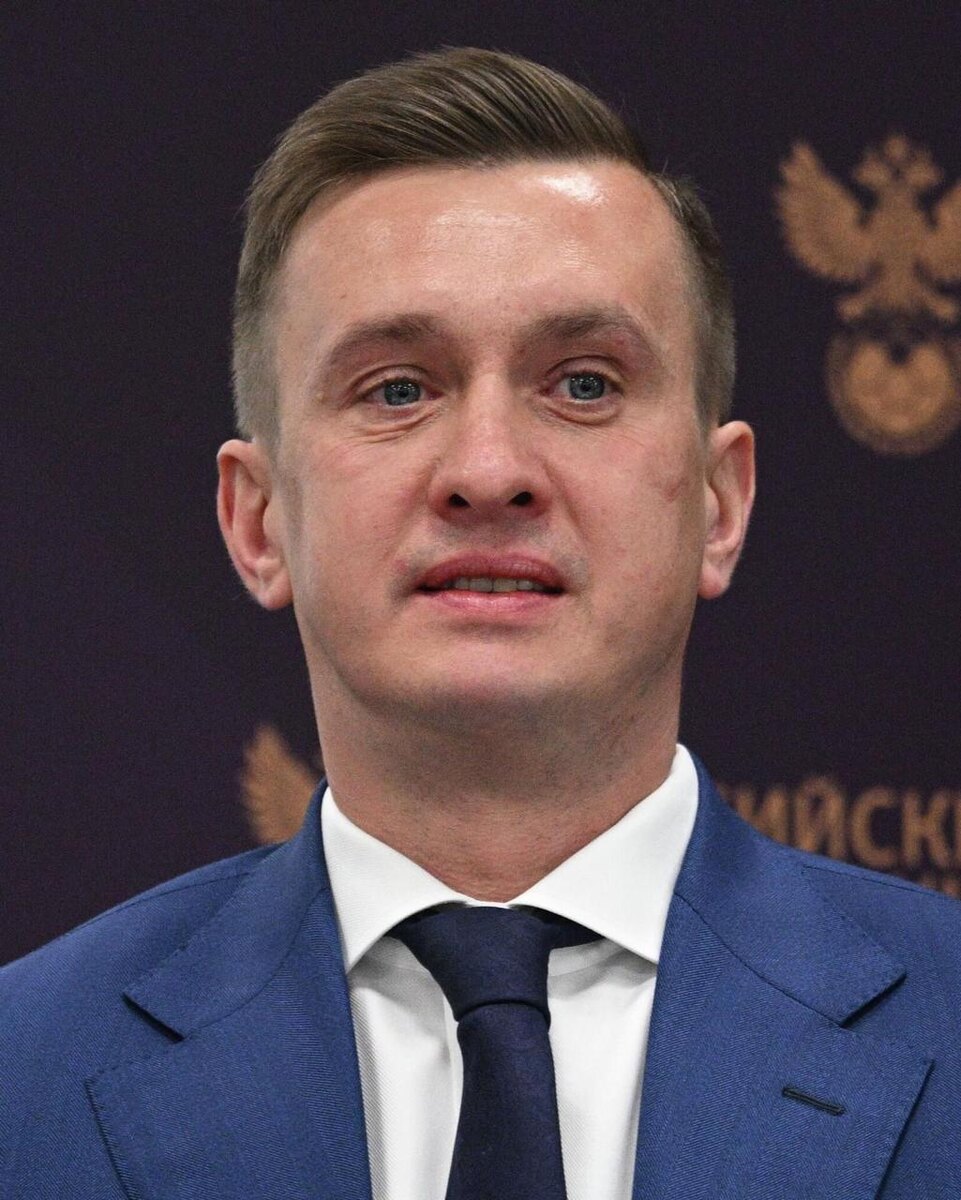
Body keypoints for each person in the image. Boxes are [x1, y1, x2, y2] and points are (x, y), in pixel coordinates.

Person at [2, 47, 959, 1200]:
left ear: (719, 505)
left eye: (584, 384)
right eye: (397, 390)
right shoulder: (23, 1074)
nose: (490, 471)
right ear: (258, 522)